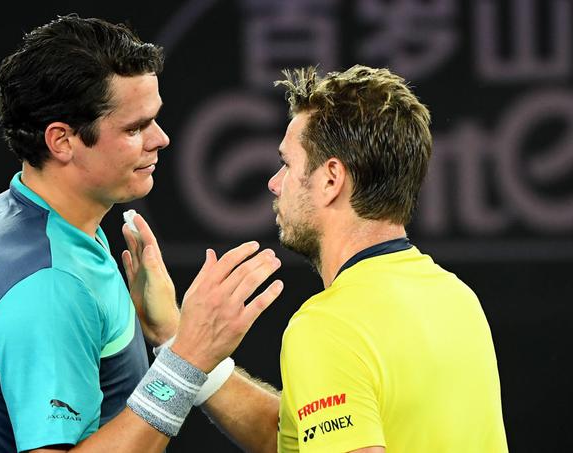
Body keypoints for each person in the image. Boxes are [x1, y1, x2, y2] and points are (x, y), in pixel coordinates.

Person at [0, 15, 284, 452]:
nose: (162, 139)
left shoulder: (3, 215)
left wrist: (169, 332)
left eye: (154, 121)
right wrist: (186, 358)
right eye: (135, 128)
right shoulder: (52, 287)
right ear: (62, 141)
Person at [198, 65, 509, 452]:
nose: (274, 183)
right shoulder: (459, 300)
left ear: (331, 180)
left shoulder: (326, 327)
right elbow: (296, 441)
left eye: (288, 164)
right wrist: (183, 346)